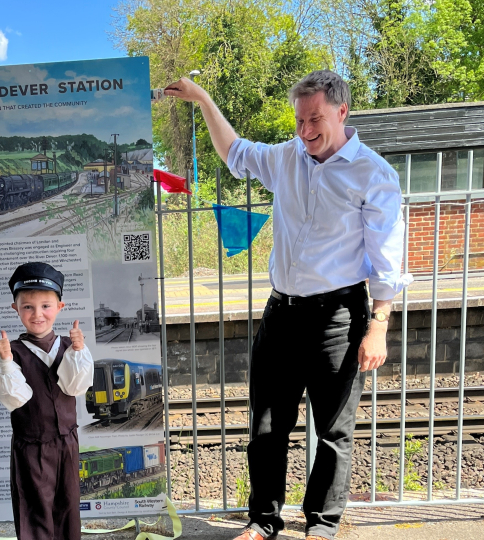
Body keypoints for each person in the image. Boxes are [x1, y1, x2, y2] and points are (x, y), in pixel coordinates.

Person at [165, 70, 411, 540]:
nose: (305, 131)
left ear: (342, 111)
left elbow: (386, 259)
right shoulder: (286, 157)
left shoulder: (373, 173)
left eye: (315, 119)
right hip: (281, 313)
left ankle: (321, 526)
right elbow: (235, 152)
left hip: (339, 318)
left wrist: (378, 324)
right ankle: (263, 522)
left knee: (334, 433)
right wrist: (204, 100)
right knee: (266, 426)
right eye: (299, 120)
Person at [0, 262, 94, 540]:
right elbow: (16, 398)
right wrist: (6, 363)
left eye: (46, 306)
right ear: (16, 309)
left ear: (59, 307)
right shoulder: (11, 353)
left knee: (68, 508)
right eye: (28, 307)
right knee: (35, 511)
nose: (38, 314)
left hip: (66, 444)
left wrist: (77, 351)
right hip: (32, 446)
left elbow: (75, 386)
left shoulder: (70, 348)